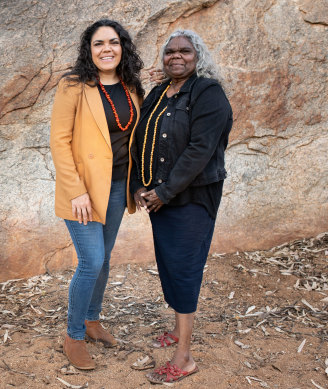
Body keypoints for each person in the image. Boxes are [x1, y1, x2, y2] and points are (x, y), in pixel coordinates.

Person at [130, 29, 233, 383]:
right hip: (162, 198)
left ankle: (184, 356)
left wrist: (164, 191)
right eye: (170, 51)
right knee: (170, 265)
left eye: (185, 51)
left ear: (197, 55)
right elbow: (141, 139)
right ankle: (178, 331)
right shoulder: (159, 93)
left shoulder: (208, 93)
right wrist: (140, 184)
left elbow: (199, 151)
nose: (177, 56)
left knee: (185, 269)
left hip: (191, 197)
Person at [49, 19, 146, 370]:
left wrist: (141, 183)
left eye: (114, 42)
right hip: (84, 191)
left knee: (103, 259)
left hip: (118, 187)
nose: (108, 49)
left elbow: (136, 140)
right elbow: (59, 141)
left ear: (123, 47)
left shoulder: (132, 86)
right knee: (90, 261)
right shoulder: (74, 85)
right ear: (89, 50)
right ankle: (73, 336)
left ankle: (92, 320)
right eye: (99, 43)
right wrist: (76, 190)